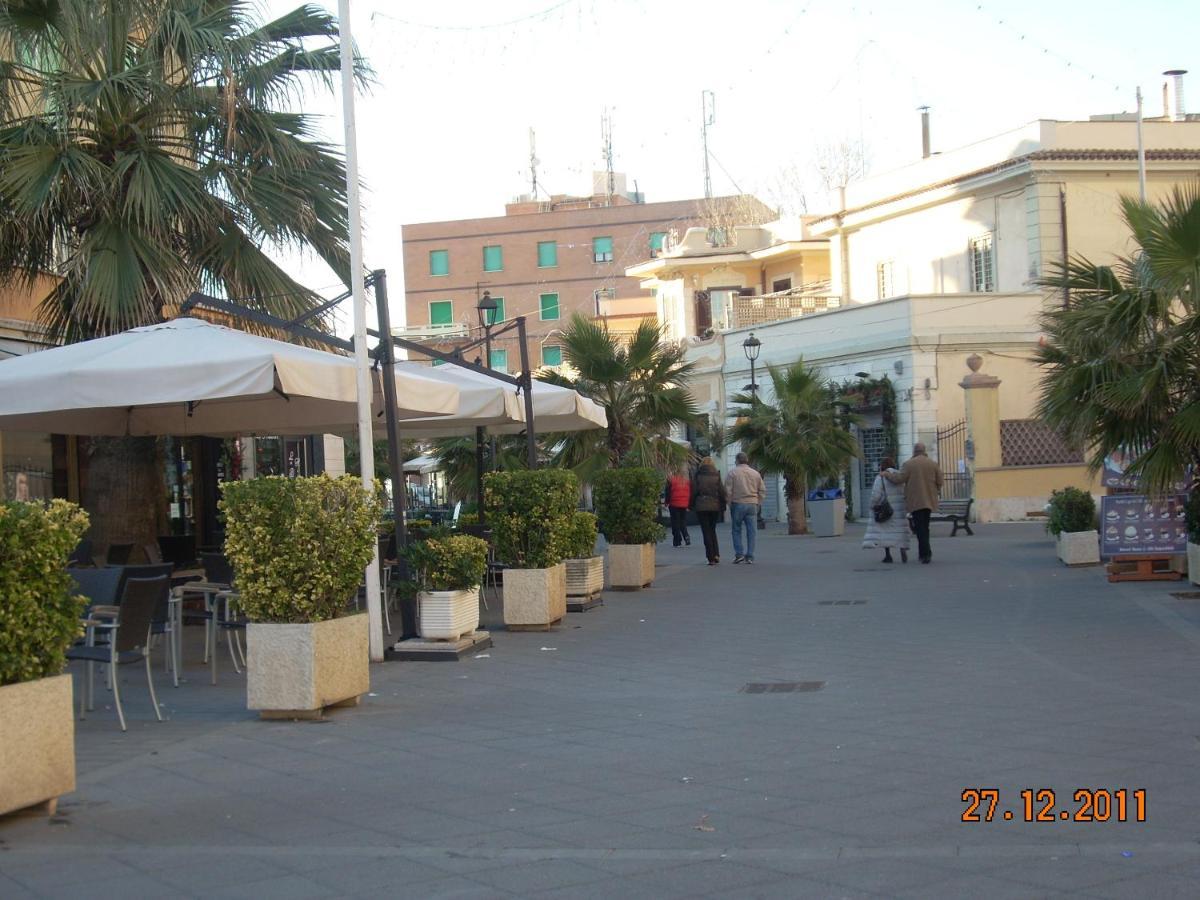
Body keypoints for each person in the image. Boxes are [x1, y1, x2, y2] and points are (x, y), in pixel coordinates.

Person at [884, 442, 943, 564]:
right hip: (929, 501)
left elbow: (899, 479)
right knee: (925, 527)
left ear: (914, 451)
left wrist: (887, 474)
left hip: (915, 501)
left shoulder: (909, 464)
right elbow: (940, 481)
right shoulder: (933, 464)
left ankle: (925, 554)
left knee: (920, 528)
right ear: (924, 450)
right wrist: (934, 490)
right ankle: (925, 553)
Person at [862, 455, 910, 563]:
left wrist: (872, 505)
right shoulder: (899, 476)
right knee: (900, 530)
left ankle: (888, 555)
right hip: (899, 508)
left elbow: (876, 495)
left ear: (882, 466)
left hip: (886, 509)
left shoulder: (880, 477)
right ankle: (902, 549)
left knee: (885, 532)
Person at [725, 451, 766, 564]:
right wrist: (758, 502)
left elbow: (728, 491)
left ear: (737, 460)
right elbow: (762, 490)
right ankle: (750, 556)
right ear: (747, 460)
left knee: (736, 529)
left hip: (737, 503)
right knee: (752, 531)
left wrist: (729, 503)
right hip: (752, 503)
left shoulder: (732, 473)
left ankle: (739, 554)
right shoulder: (755, 473)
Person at [690, 456, 726, 565]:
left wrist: (691, 505)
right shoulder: (716, 475)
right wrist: (723, 506)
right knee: (712, 530)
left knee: (706, 531)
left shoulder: (698, 475)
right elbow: (721, 491)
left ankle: (710, 557)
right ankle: (716, 554)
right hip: (715, 505)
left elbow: (694, 491)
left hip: (701, 505)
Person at [663, 466, 692, 548]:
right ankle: (686, 536)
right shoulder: (686, 481)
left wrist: (666, 502)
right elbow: (689, 493)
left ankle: (677, 541)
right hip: (684, 504)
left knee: (675, 523)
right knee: (682, 521)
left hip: (674, 504)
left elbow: (668, 492)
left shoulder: (671, 480)